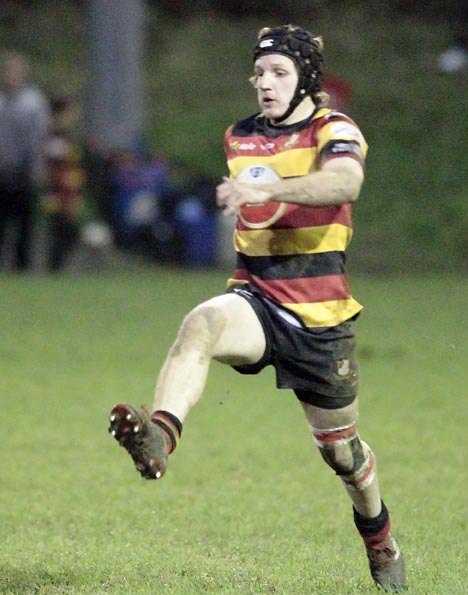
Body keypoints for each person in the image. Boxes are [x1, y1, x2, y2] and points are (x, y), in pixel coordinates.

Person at [108, 25, 407, 592]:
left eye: (279, 73)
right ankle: (159, 437)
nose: (265, 83)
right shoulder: (240, 136)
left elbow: (344, 183)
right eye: (260, 73)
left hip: (320, 316)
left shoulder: (334, 129)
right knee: (200, 324)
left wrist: (269, 189)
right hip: (259, 296)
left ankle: (380, 538)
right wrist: (236, 196)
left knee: (342, 455)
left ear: (306, 79)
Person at [0, 53, 50, 271]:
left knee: (24, 225)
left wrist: (37, 169)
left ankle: (23, 267)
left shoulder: (33, 103)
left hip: (24, 171)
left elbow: (39, 138)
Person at [43, 95, 84, 272]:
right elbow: (53, 168)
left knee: (66, 232)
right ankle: (54, 269)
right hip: (58, 193)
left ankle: (57, 269)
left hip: (68, 192)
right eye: (70, 112)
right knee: (61, 232)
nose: (74, 116)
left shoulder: (66, 137)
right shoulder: (53, 136)